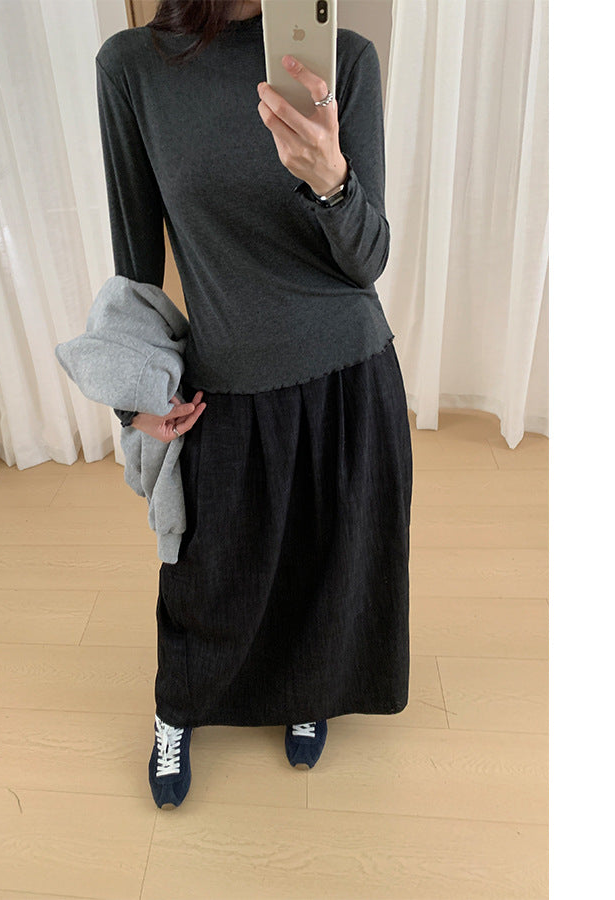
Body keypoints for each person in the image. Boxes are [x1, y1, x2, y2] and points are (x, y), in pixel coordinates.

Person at [95, 0, 413, 810]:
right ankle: (177, 709)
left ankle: (311, 689)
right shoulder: (132, 69)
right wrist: (133, 399)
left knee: (330, 561)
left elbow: (368, 260)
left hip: (348, 372)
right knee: (206, 577)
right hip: (225, 381)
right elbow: (135, 266)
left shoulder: (345, 59)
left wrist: (331, 181)